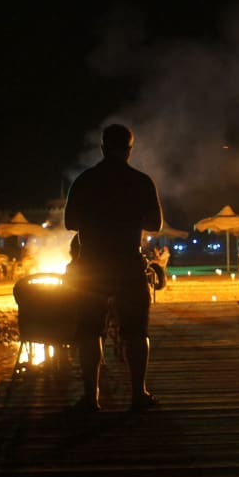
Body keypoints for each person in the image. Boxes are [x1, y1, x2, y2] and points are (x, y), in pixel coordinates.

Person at [62, 123, 163, 413]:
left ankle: (90, 398)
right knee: (136, 332)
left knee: (89, 331)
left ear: (103, 148)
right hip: (128, 266)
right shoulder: (141, 181)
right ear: (129, 149)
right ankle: (137, 394)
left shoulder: (85, 180)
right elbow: (154, 224)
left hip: (92, 265)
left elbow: (70, 223)